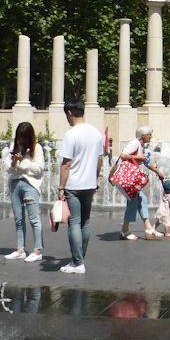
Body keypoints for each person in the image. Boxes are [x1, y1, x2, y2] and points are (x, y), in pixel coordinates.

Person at [56, 100, 105, 274]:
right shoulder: (97, 133)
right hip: (89, 184)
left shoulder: (72, 134)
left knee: (74, 222)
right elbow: (100, 160)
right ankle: (80, 258)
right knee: (86, 221)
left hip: (73, 185)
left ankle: (77, 263)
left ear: (69, 113)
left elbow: (66, 164)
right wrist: (95, 179)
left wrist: (61, 187)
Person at [6, 121, 46, 263]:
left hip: (30, 185)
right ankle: (20, 249)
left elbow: (39, 169)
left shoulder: (37, 148)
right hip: (16, 184)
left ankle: (37, 250)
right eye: (19, 137)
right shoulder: (14, 147)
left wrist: (24, 161)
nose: (21, 141)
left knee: (34, 218)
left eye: (24, 138)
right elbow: (8, 169)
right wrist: (13, 162)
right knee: (18, 219)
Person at [119, 125, 166, 240]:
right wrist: (138, 156)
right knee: (133, 202)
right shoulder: (135, 143)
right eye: (149, 135)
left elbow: (145, 162)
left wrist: (157, 171)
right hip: (127, 178)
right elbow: (123, 155)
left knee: (141, 199)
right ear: (143, 136)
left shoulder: (141, 146)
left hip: (130, 178)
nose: (151, 137)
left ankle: (148, 228)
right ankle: (125, 230)